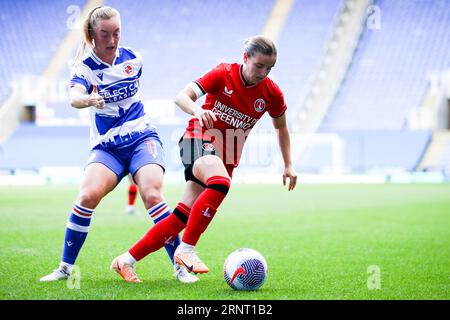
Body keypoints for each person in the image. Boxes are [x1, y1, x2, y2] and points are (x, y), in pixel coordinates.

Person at [111, 35, 297, 282]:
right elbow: (181, 97)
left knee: (180, 216)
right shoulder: (223, 73)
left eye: (269, 68)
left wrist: (288, 164)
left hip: (226, 155)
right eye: (259, 66)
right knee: (220, 183)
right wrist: (199, 110)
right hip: (195, 140)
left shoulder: (272, 93)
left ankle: (126, 260)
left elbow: (281, 128)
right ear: (245, 58)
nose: (263, 72)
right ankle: (186, 249)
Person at [40, 6, 198, 284]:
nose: (112, 40)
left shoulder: (133, 58)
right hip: (107, 148)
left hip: (142, 138)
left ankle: (179, 266)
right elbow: (74, 97)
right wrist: (89, 100)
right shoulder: (84, 68)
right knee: (87, 196)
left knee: (151, 194)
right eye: (104, 34)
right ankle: (65, 268)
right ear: (91, 35)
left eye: (117, 33)